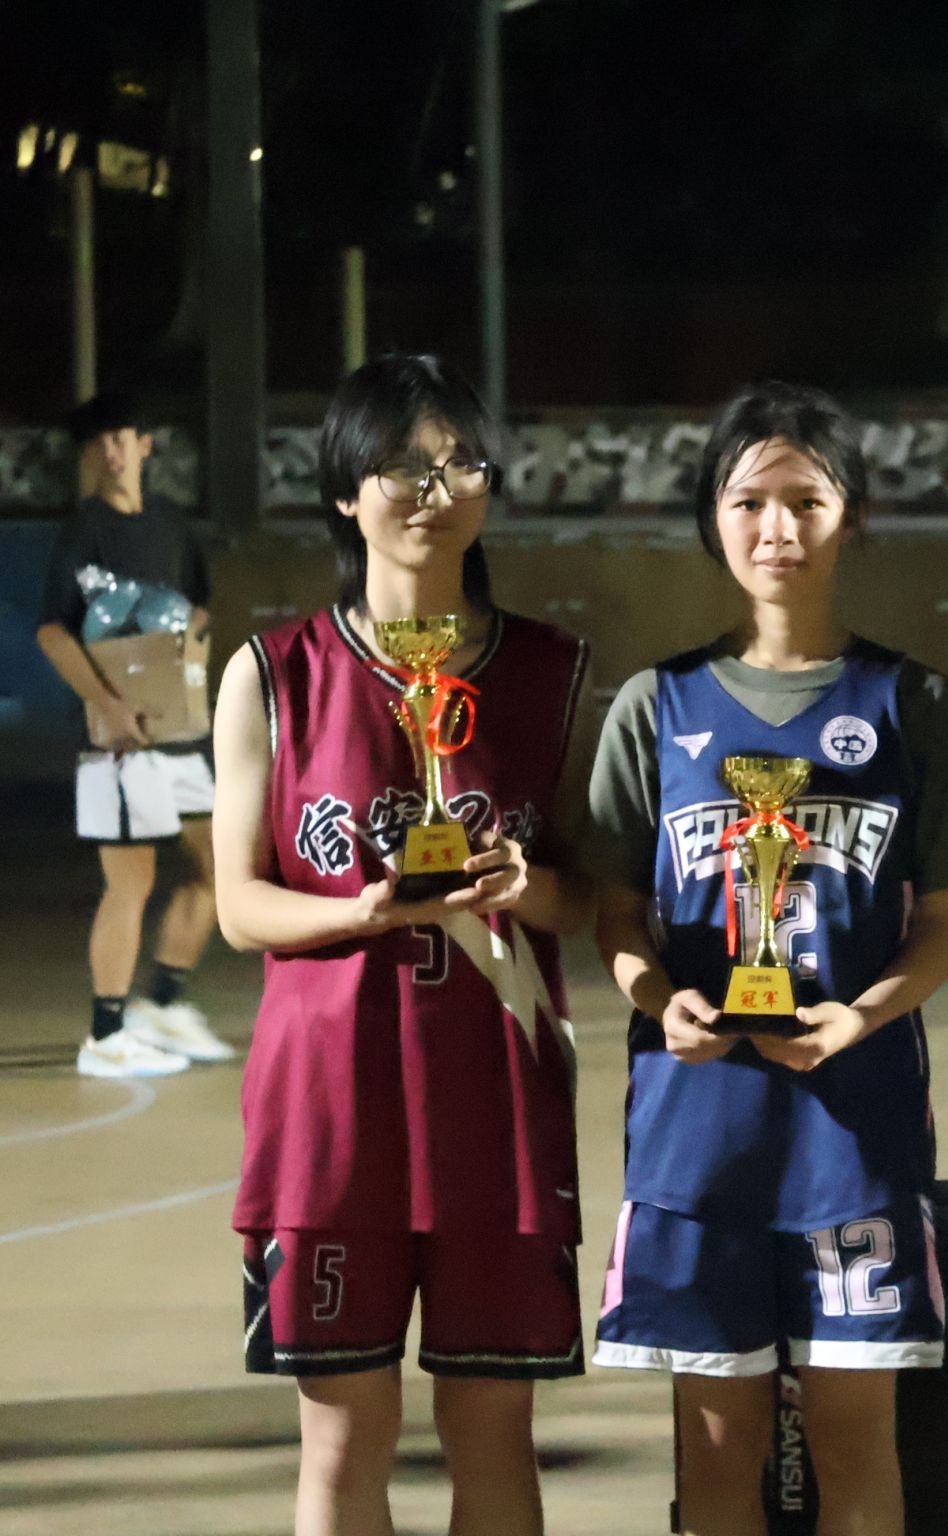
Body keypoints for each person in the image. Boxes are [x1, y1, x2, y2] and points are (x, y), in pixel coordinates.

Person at [586, 380, 948, 1536]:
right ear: (710, 518)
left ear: (850, 516)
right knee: (716, 1454)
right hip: (695, 1139)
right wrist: (658, 999)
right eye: (747, 502)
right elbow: (616, 915)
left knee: (854, 1444)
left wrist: (858, 1017)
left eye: (805, 502)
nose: (776, 528)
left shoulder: (912, 702)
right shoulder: (656, 705)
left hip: (852, 1137)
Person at [212, 354, 594, 1536]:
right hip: (330, 1107)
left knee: (495, 1435)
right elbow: (239, 905)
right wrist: (360, 914)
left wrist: (529, 887)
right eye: (401, 466)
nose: (435, 491)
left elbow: (590, 898)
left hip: (494, 1096)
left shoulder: (551, 672)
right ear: (343, 490)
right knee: (342, 1439)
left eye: (459, 463)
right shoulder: (272, 674)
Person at [35, 391, 232, 1076]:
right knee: (131, 881)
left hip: (176, 732)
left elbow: (200, 610)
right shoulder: (83, 530)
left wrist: (188, 671)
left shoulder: (172, 525)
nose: (112, 451)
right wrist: (107, 703)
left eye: (123, 437)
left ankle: (163, 1005)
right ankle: (106, 1035)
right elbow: (53, 631)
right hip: (114, 739)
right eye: (100, 443)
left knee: (221, 867)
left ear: (146, 445)